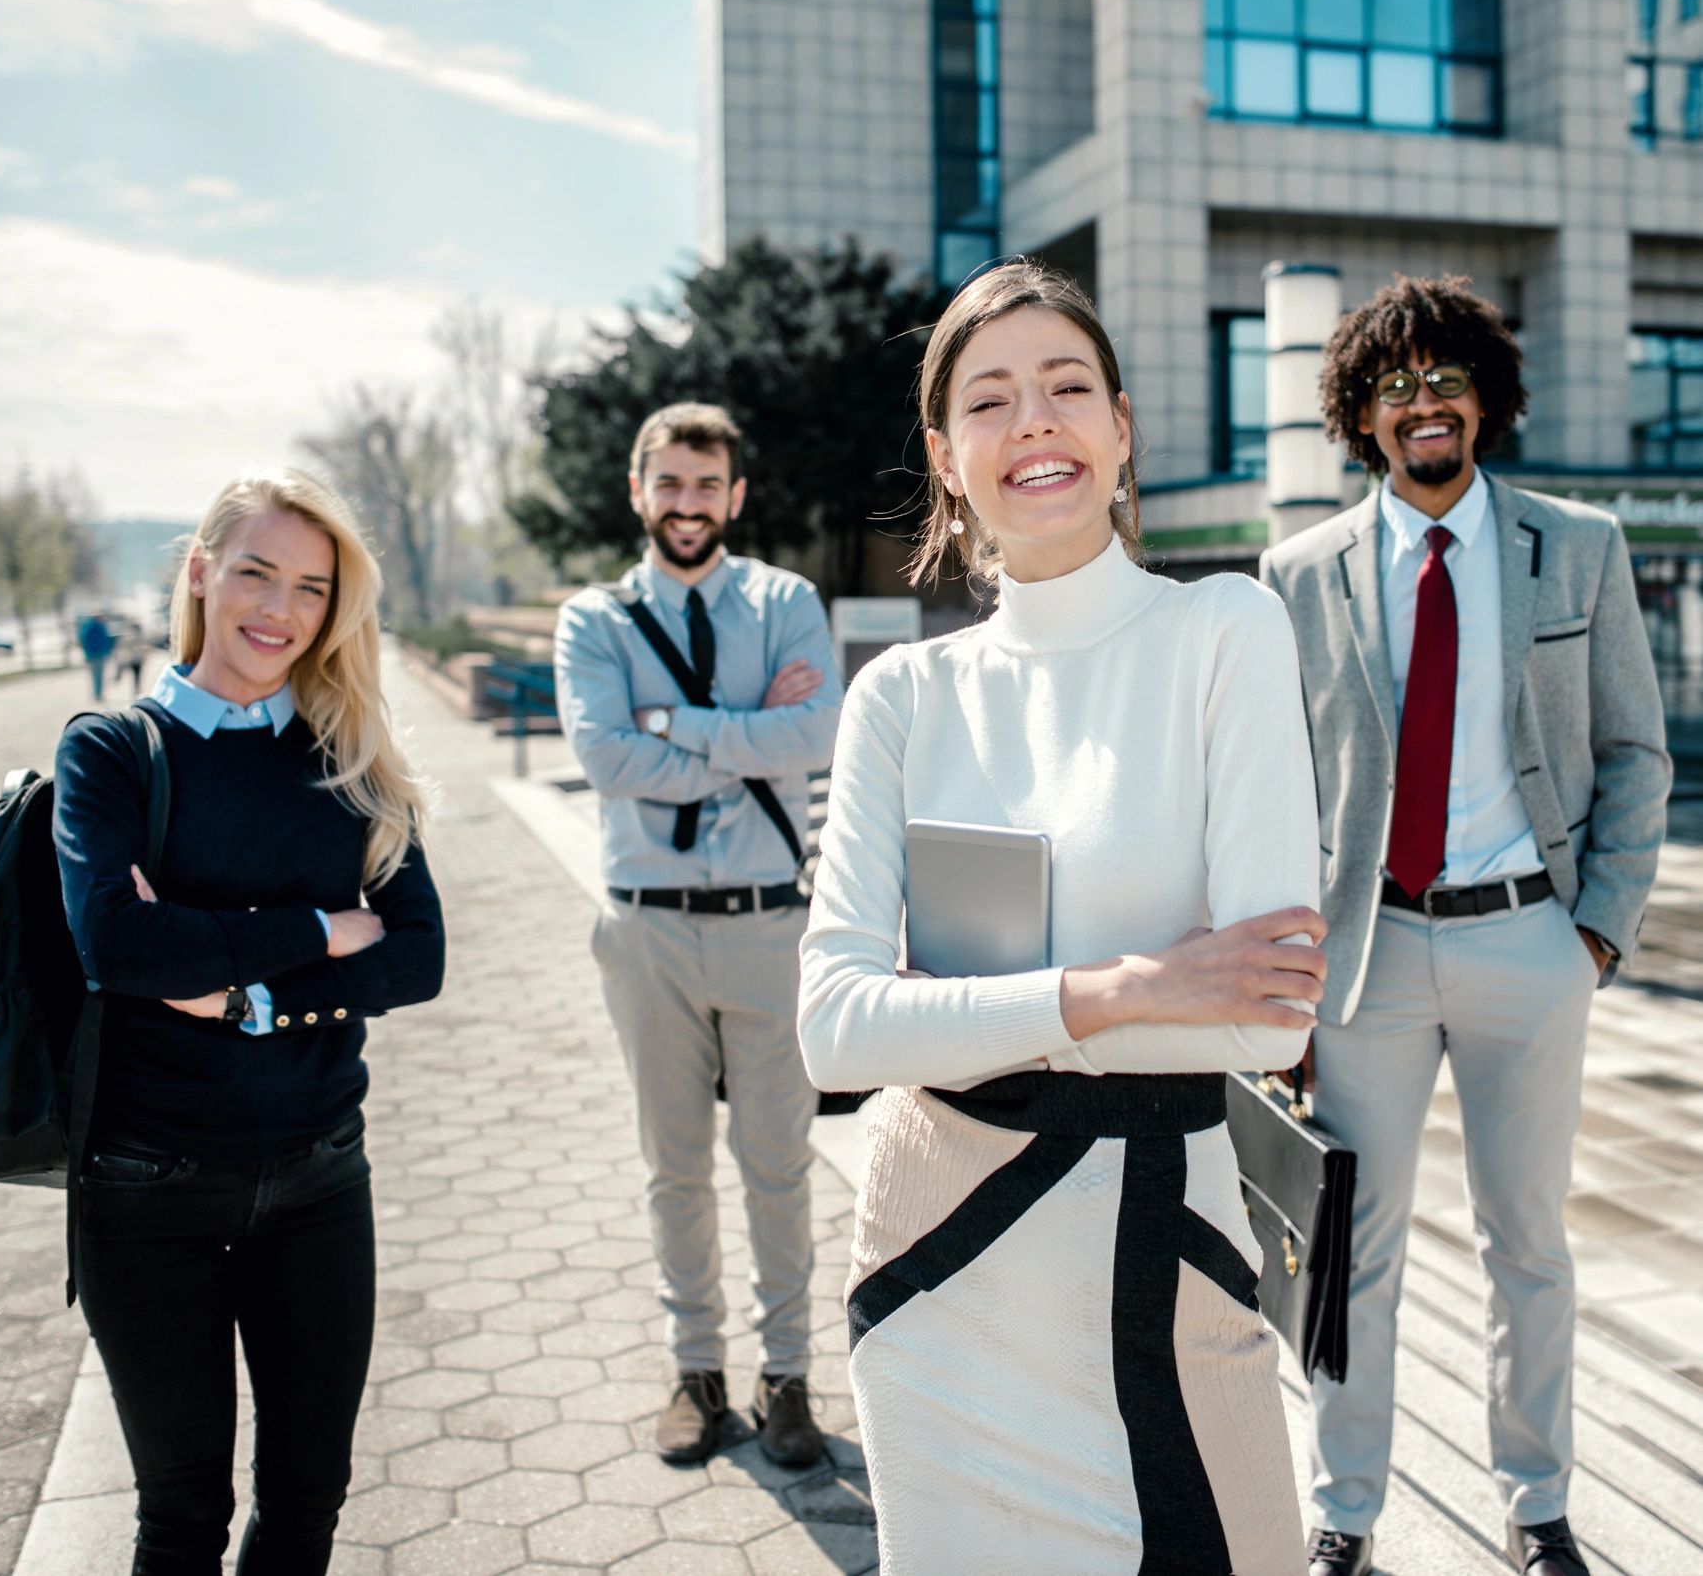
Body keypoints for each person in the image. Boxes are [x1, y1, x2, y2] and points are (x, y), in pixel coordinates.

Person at [800, 260, 1325, 1575]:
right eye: (991, 399)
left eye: (1067, 386)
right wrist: (1137, 986)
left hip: (1167, 1253)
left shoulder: (1225, 631)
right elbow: (837, 1031)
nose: (1034, 420)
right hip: (942, 1265)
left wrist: (970, 1011)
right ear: (947, 454)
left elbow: (1270, 1019)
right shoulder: (905, 699)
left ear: (1123, 426)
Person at [1260, 276, 1671, 1576]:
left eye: (1445, 380)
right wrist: (1284, 986)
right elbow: (1273, 791)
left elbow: (1634, 754)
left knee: (1527, 1241)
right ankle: (1346, 1514)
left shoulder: (1580, 545)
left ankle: (1538, 1505)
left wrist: (1592, 935)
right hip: (1365, 957)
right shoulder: (1299, 573)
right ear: (1359, 417)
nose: (1422, 403)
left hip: (1528, 944)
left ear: (1485, 398)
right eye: (1393, 386)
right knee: (1352, 1245)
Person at [53, 468, 446, 1574]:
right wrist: (324, 927)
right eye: (256, 573)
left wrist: (240, 990)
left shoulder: (350, 757)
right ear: (200, 573)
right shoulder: (111, 752)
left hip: (321, 1179)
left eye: (312, 589)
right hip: (145, 1187)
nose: (279, 610)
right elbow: (119, 950)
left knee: (309, 1499)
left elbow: (419, 959)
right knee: (181, 1516)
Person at [554, 404, 843, 1468]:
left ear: (735, 494)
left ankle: (788, 1376)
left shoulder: (784, 601)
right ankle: (695, 1371)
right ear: (639, 491)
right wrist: (743, 737)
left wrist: (672, 724)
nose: (687, 504)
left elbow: (817, 732)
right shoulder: (593, 619)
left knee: (779, 1163)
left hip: (772, 924)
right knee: (672, 1166)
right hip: (648, 933)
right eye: (667, 484)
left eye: (705, 485)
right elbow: (606, 758)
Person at [80, 610, 115, 702]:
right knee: (97, 676)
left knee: (99, 676)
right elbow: (86, 642)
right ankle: (97, 694)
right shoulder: (92, 627)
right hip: (94, 654)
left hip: (98, 654)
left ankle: (98, 694)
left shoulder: (98, 626)